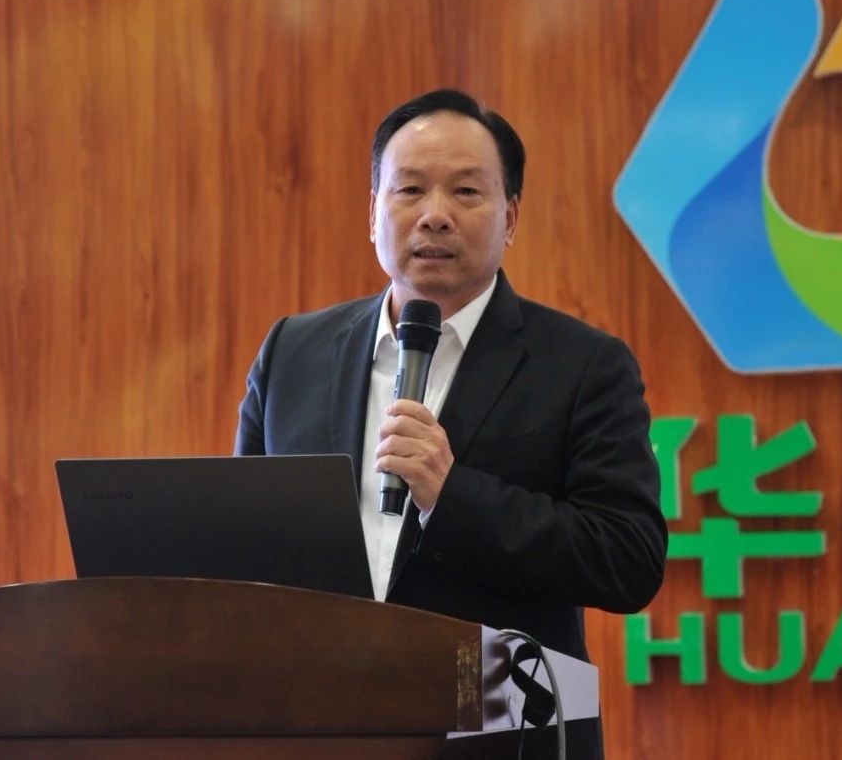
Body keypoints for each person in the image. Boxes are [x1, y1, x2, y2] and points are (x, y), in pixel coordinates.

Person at [235, 89, 666, 758]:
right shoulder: (293, 352)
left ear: (510, 217)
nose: (434, 214)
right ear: (373, 212)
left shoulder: (584, 365)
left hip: (502, 729)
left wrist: (452, 495)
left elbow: (628, 558)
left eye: (466, 191)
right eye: (409, 189)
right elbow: (242, 546)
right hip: (320, 724)